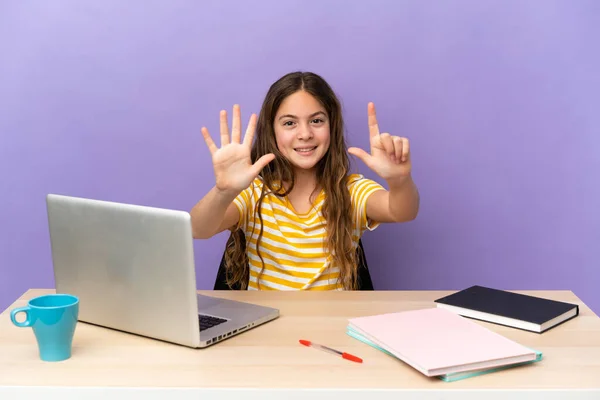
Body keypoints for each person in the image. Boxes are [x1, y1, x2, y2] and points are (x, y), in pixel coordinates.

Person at [191, 71, 419, 291]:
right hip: (268, 326)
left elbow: (401, 211)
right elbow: (197, 229)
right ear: (272, 131)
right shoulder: (253, 193)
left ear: (332, 126)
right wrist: (223, 190)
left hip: (331, 325)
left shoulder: (350, 190)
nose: (305, 134)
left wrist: (400, 180)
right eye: (290, 123)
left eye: (316, 121)